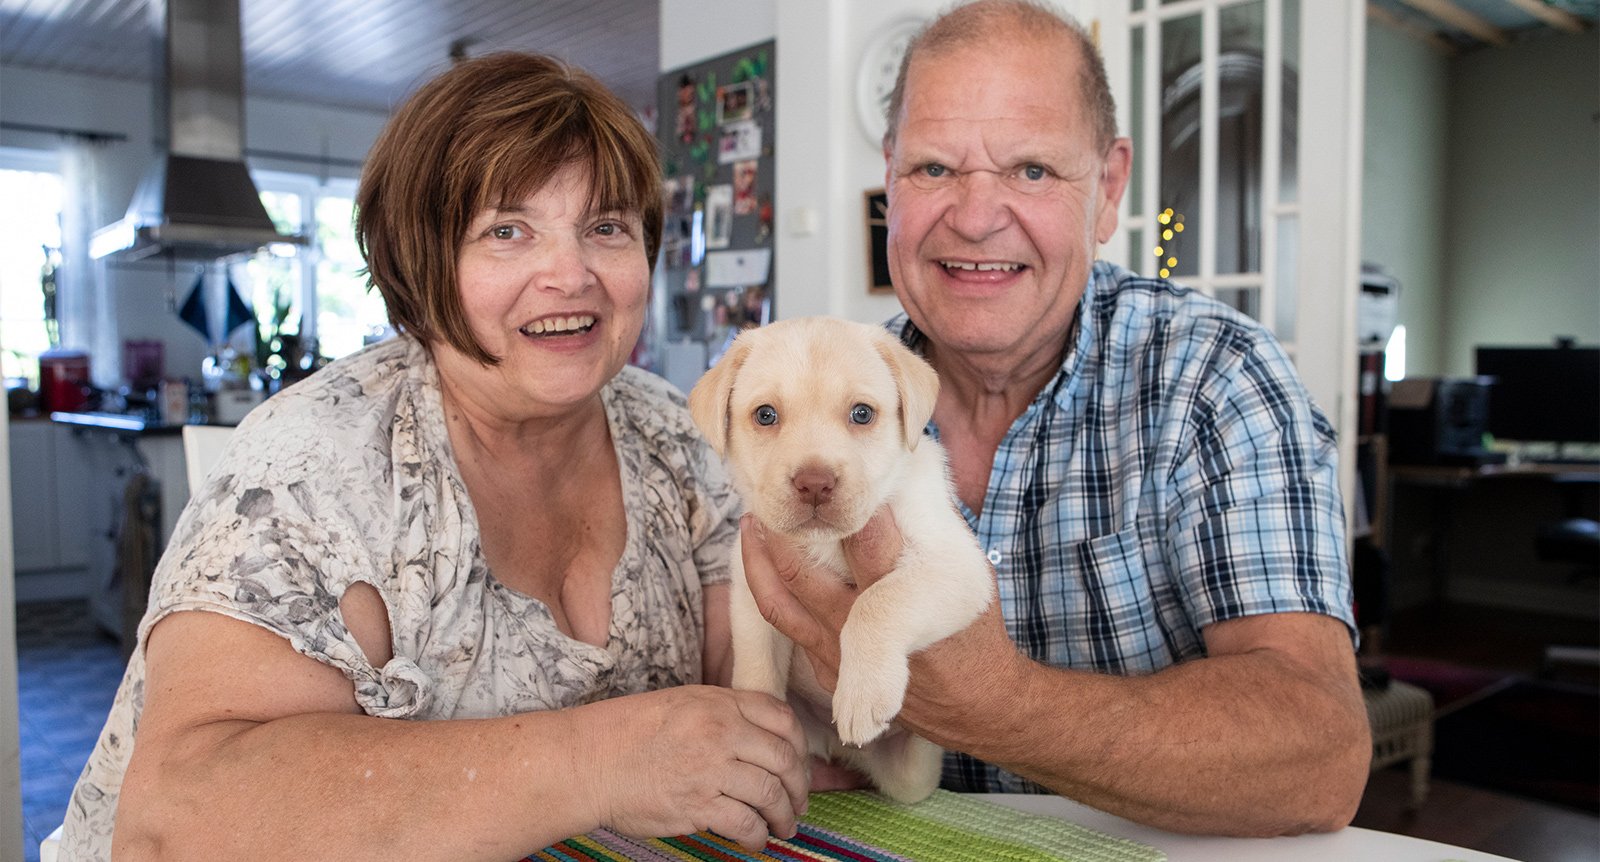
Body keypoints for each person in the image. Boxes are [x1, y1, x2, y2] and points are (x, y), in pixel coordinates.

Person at [59, 53, 808, 861]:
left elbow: (760, 682)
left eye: (607, 227)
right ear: (418, 262)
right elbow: (181, 813)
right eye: (506, 231)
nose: (571, 274)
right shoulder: (317, 465)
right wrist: (599, 759)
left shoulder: (676, 436)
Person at [738, 0, 1370, 837]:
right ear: (889, 179)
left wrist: (1000, 705)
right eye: (933, 169)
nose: (974, 213)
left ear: (1107, 190)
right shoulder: (842, 390)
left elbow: (1320, 759)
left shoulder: (1213, 378)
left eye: (1032, 170)